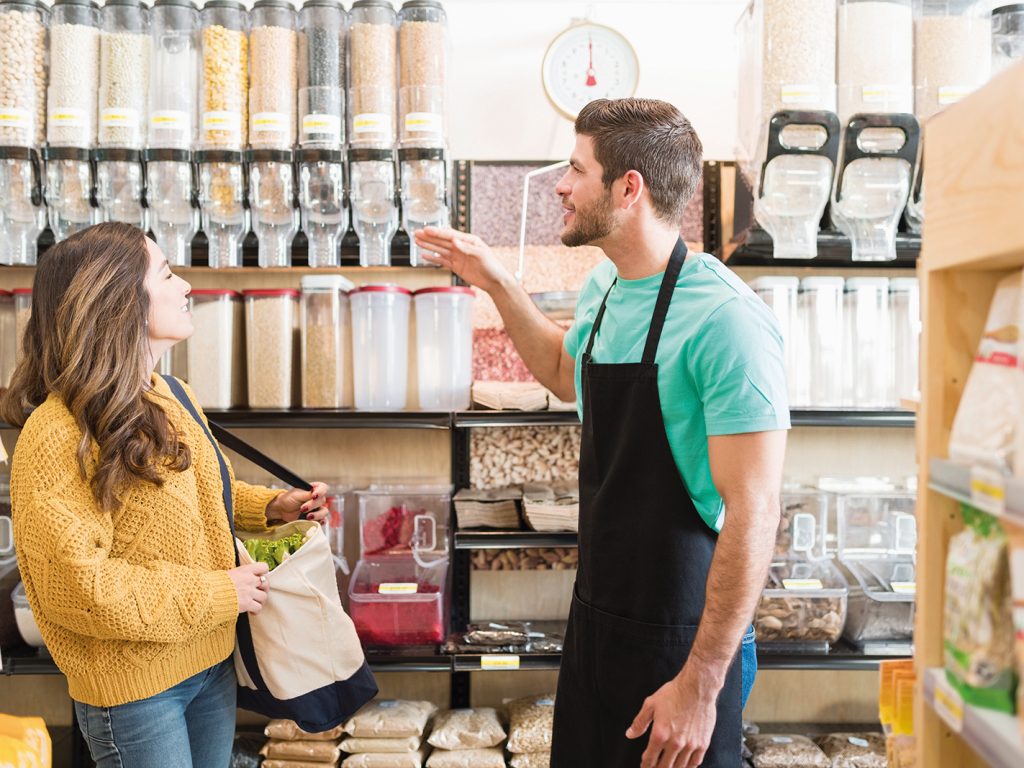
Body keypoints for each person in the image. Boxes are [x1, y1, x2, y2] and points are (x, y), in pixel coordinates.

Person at [414, 98, 788, 768]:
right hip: (597, 625)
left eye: (574, 169)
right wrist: (497, 284)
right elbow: (564, 371)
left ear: (628, 187)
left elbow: (755, 513)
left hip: (686, 642)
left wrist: (700, 685)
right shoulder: (606, 288)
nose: (560, 184)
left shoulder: (728, 320)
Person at [3, 223, 330, 768]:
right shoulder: (55, 435)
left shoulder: (171, 394)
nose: (186, 287)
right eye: (168, 273)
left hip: (208, 662)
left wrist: (270, 507)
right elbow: (79, 589)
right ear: (116, 300)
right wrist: (218, 594)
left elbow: (196, 495)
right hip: (137, 690)